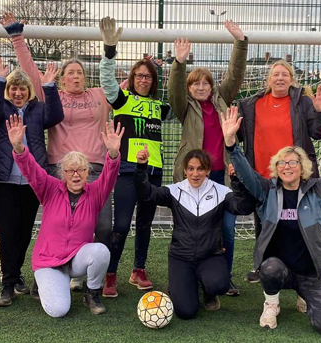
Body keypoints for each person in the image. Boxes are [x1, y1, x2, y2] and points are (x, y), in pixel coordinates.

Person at [222, 105, 321, 335]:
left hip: (310, 273)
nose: (287, 167)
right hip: (279, 269)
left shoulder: (319, 189)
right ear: (276, 168)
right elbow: (245, 173)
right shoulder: (266, 190)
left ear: (302, 167)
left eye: (293, 162)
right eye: (282, 163)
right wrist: (231, 144)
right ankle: (271, 302)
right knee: (269, 269)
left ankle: (304, 294)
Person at [1, 12, 114, 294]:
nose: (75, 76)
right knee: (60, 225)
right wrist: (17, 38)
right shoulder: (53, 97)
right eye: (69, 73)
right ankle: (55, 269)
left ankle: (88, 273)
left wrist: (119, 55)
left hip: (95, 169)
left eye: (79, 72)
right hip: (59, 171)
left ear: (85, 78)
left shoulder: (99, 95)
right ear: (61, 80)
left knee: (103, 227)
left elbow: (126, 87)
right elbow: (28, 70)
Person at [8, 115, 123, 317]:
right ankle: (43, 282)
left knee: (101, 251)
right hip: (49, 261)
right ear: (63, 173)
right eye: (70, 171)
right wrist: (19, 148)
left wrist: (113, 153)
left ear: (87, 173)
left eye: (81, 170)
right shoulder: (50, 189)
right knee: (59, 311)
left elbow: (110, 176)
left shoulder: (96, 192)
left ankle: (92, 293)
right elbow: (32, 171)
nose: (76, 175)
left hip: (76, 258)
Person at [168, 20, 248, 296]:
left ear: (212, 87)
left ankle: (223, 277)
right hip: (193, 178)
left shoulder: (222, 99)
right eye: (195, 84)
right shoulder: (184, 107)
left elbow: (235, 74)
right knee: (189, 231)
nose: (201, 87)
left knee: (226, 229)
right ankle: (187, 275)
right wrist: (179, 63)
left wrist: (240, 42)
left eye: (205, 83)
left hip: (221, 177)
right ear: (189, 89)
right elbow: (174, 90)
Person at [0, 49, 64, 306]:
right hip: (3, 182)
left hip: (32, 182)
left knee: (24, 232)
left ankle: (15, 277)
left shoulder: (39, 110)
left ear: (29, 90)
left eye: (22, 88)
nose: (18, 93)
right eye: (13, 88)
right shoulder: (0, 109)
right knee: (6, 232)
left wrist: (49, 85)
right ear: (8, 91)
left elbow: (56, 115)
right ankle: (7, 284)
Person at [134, 145, 255, 319]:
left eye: (200, 169)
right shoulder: (175, 191)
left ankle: (208, 291)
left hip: (210, 256)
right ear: (184, 170)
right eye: (190, 169)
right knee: (186, 312)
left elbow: (243, 207)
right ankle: (179, 284)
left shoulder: (221, 192)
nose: (195, 174)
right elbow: (146, 194)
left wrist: (236, 181)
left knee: (220, 285)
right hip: (180, 257)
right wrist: (141, 167)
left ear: (208, 171)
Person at [237, 60, 321, 283]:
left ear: (291, 79)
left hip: (292, 176)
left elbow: (318, 133)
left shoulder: (302, 102)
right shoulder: (251, 104)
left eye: (284, 75)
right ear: (268, 80)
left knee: (298, 221)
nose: (280, 78)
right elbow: (238, 136)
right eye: (275, 74)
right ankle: (262, 267)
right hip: (262, 174)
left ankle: (303, 268)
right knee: (264, 221)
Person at [98, 16, 171, 297]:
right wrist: (109, 51)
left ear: (153, 80)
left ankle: (138, 269)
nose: (143, 79)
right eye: (139, 75)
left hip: (153, 171)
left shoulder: (159, 106)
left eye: (148, 76)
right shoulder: (122, 99)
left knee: (145, 223)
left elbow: (176, 93)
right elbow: (106, 80)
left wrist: (176, 64)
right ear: (132, 78)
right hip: (127, 169)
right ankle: (111, 272)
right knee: (120, 224)